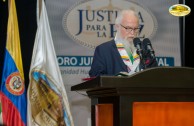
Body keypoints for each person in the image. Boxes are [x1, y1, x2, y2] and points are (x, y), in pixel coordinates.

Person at [89, 9, 158, 77]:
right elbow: (96, 77)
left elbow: (155, 75)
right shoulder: (103, 50)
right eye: (128, 28)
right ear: (117, 27)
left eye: (136, 28)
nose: (132, 33)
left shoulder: (144, 48)